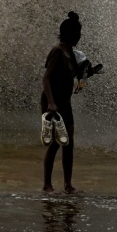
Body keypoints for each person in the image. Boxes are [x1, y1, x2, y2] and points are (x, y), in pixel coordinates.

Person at [42, 11, 82, 194]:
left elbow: (74, 74)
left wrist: (82, 80)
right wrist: (50, 102)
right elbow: (46, 79)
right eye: (77, 33)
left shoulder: (71, 53)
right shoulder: (57, 52)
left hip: (65, 101)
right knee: (56, 142)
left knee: (69, 142)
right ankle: (47, 185)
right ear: (69, 34)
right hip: (53, 102)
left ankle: (68, 184)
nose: (80, 37)